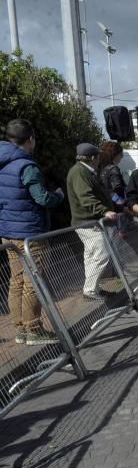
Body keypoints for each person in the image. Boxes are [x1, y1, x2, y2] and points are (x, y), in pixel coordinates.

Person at [0, 118, 65, 345]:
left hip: (8, 231)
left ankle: (20, 329)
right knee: (33, 280)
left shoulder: (3, 162)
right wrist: (58, 195)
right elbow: (41, 198)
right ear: (30, 139)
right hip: (30, 232)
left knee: (16, 280)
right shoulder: (27, 166)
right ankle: (34, 330)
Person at [66, 143, 119, 301]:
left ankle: (91, 289)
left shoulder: (82, 171)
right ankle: (90, 290)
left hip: (86, 221)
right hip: (86, 222)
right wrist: (104, 210)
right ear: (94, 158)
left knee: (91, 255)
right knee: (102, 254)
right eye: (98, 157)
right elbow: (86, 197)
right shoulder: (80, 173)